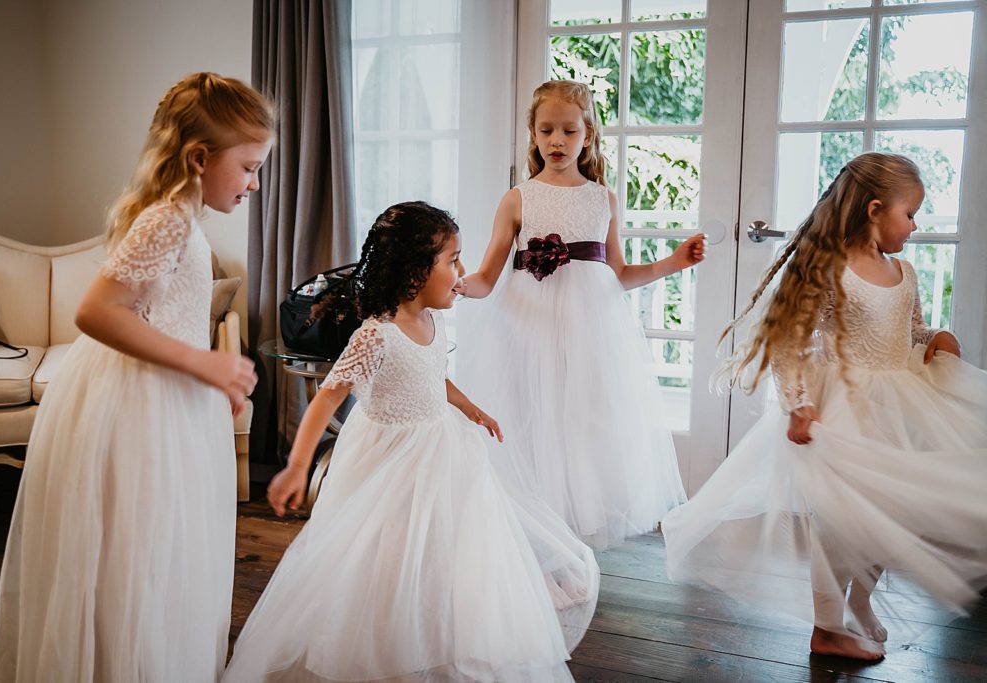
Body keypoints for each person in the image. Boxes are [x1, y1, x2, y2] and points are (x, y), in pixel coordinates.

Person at [223, 201, 599, 683]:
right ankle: (385, 644)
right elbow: (325, 399)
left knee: (446, 547)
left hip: (441, 447)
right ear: (414, 271)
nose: (462, 272)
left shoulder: (434, 323)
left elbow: (433, 374)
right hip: (389, 459)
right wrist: (298, 465)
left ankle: (437, 634)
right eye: (452, 260)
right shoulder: (375, 335)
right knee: (386, 551)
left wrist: (471, 408)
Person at [0, 72, 274, 682]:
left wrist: (208, 379)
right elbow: (95, 312)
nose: (255, 183)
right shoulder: (167, 220)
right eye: (249, 167)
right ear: (201, 158)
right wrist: (204, 363)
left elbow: (164, 314)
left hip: (168, 398)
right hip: (138, 408)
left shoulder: (187, 221)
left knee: (163, 553)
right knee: (139, 553)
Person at [662, 152, 987, 660]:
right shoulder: (831, 270)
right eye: (910, 213)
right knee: (841, 524)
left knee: (887, 514)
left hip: (897, 404)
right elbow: (790, 341)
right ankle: (827, 627)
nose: (915, 225)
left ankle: (860, 602)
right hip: (845, 410)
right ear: (876, 209)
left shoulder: (902, 271)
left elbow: (911, 331)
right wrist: (798, 404)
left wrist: (936, 336)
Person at [454, 80, 705, 549]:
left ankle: (568, 550)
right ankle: (532, 549)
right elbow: (488, 275)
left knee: (580, 431)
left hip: (589, 333)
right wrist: (460, 285)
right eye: (546, 130)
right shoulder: (517, 198)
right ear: (532, 133)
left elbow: (618, 273)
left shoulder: (601, 199)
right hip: (526, 329)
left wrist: (674, 262)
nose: (556, 140)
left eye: (568, 131)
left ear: (587, 136)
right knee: (529, 425)